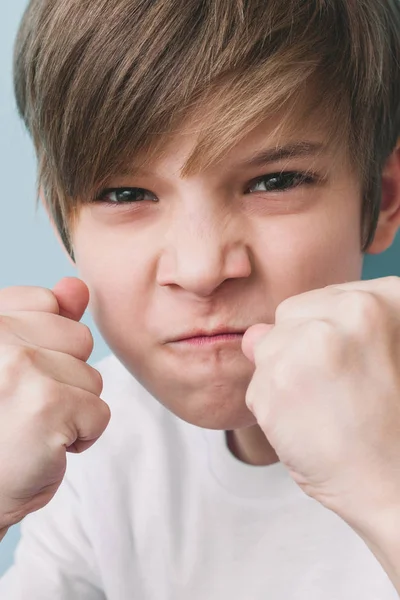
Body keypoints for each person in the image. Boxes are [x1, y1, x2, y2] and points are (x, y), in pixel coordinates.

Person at [0, 0, 400, 597]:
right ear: (63, 226)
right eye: (125, 192)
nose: (201, 269)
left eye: (274, 181)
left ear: (384, 197)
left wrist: (384, 491)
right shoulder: (90, 451)